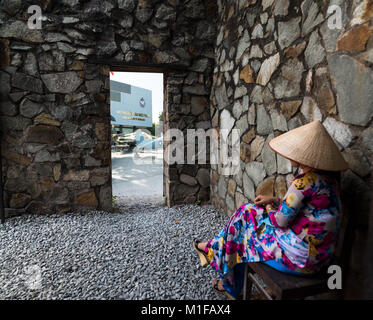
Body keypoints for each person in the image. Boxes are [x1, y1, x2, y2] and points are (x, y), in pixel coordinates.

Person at [193, 120, 349, 299]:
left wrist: (268, 206)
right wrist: (274, 200)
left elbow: (280, 221)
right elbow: (307, 209)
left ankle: (219, 264)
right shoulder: (329, 181)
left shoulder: (303, 182)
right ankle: (213, 253)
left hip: (300, 260)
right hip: (320, 256)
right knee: (247, 213)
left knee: (243, 231)